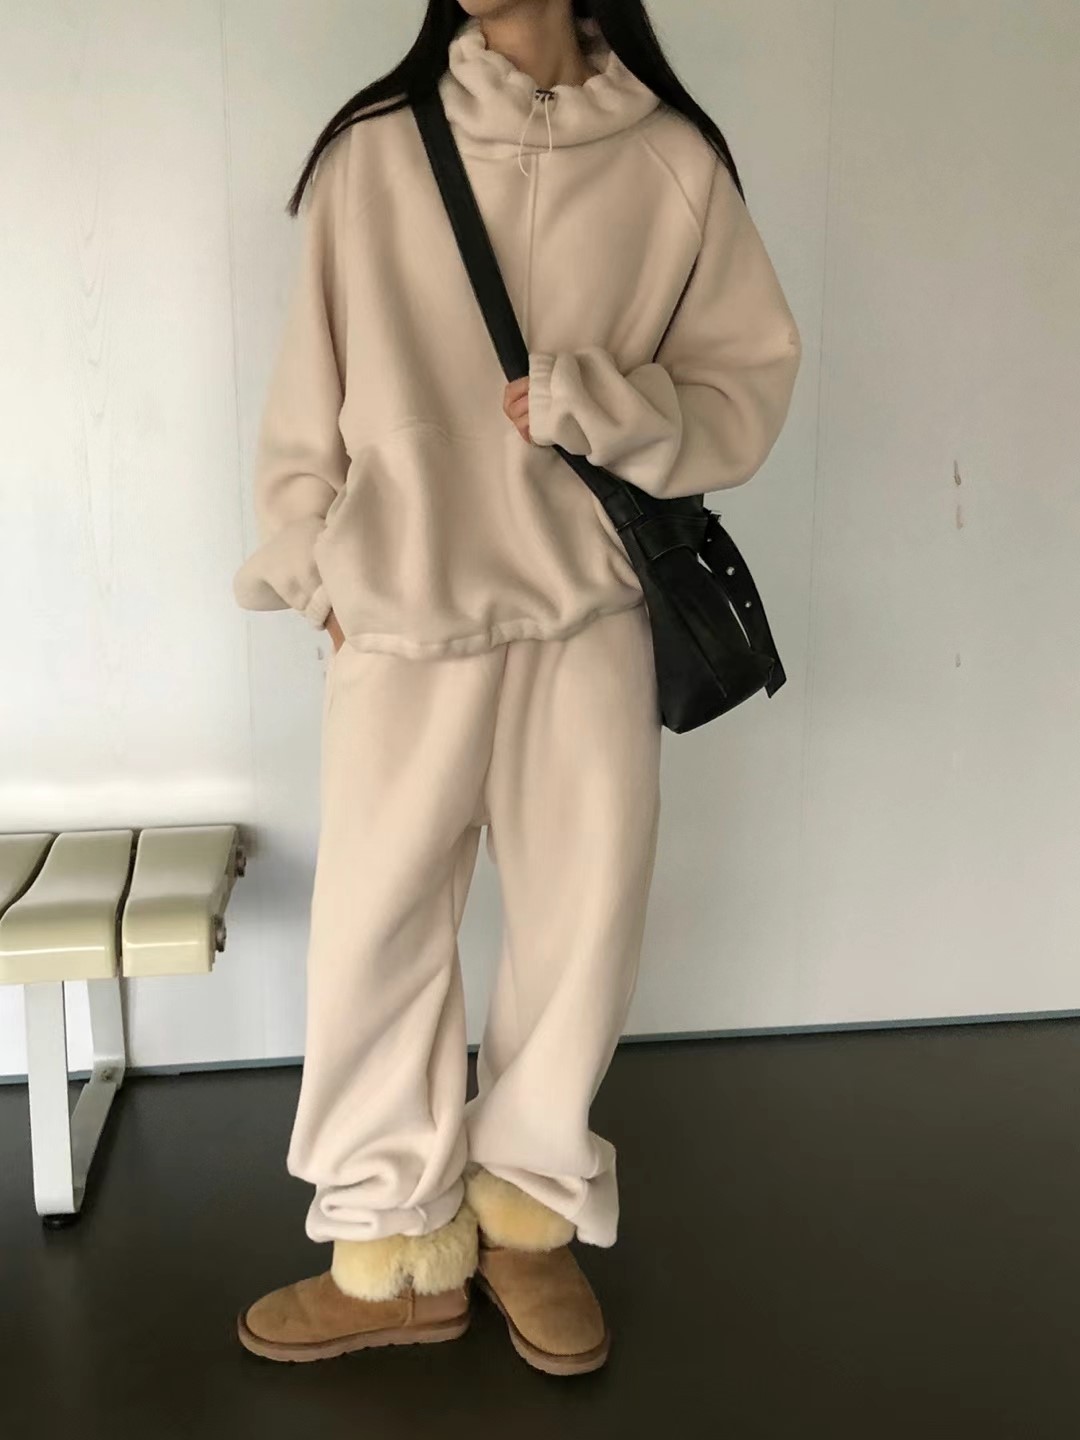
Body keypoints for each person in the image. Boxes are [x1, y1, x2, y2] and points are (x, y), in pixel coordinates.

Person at [232, 0, 801, 1376]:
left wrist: (605, 404)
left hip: (586, 615)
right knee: (373, 933)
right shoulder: (374, 152)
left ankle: (527, 1219)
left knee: (579, 929)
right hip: (403, 617)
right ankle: (389, 1245)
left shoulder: (672, 161)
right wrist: (317, 569)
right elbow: (306, 398)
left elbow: (743, 386)